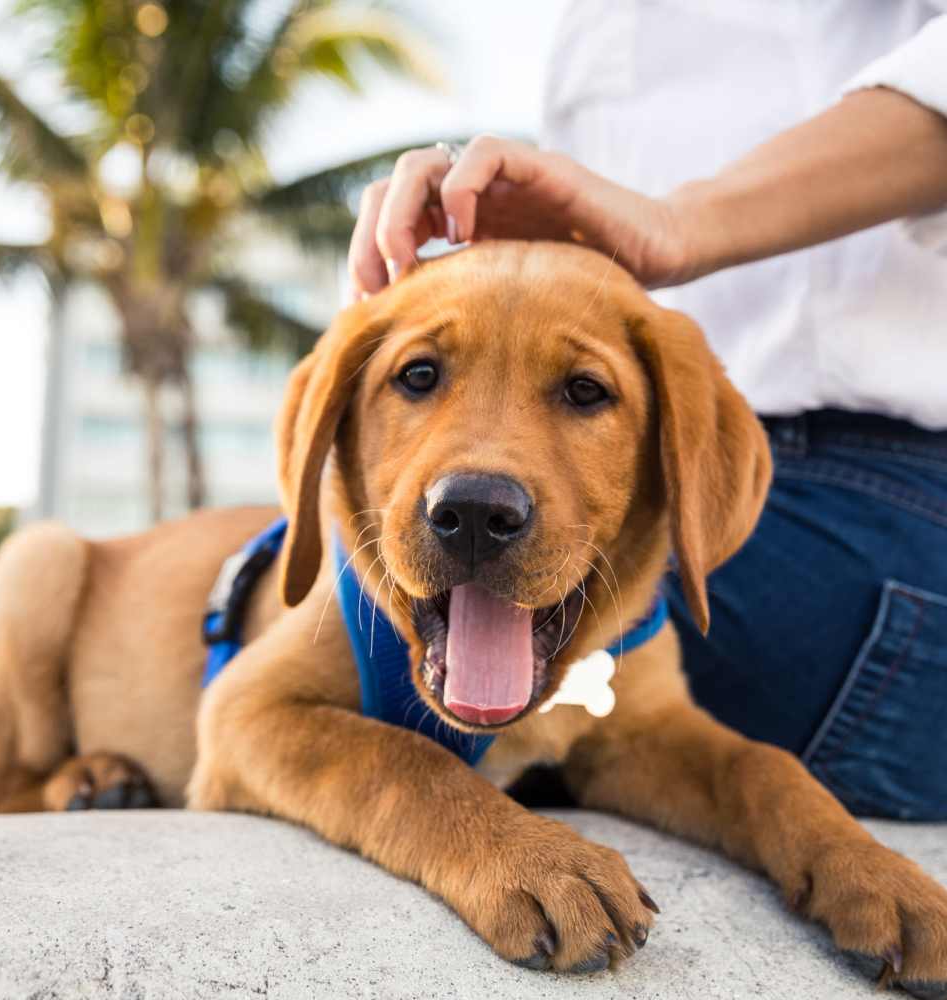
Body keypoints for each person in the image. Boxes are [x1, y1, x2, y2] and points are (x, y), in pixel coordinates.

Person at [347, 1, 947, 821]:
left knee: (340, 660)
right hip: (661, 465)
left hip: (874, 496)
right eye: (419, 376)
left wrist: (679, 224)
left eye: (582, 390)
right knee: (355, 603)